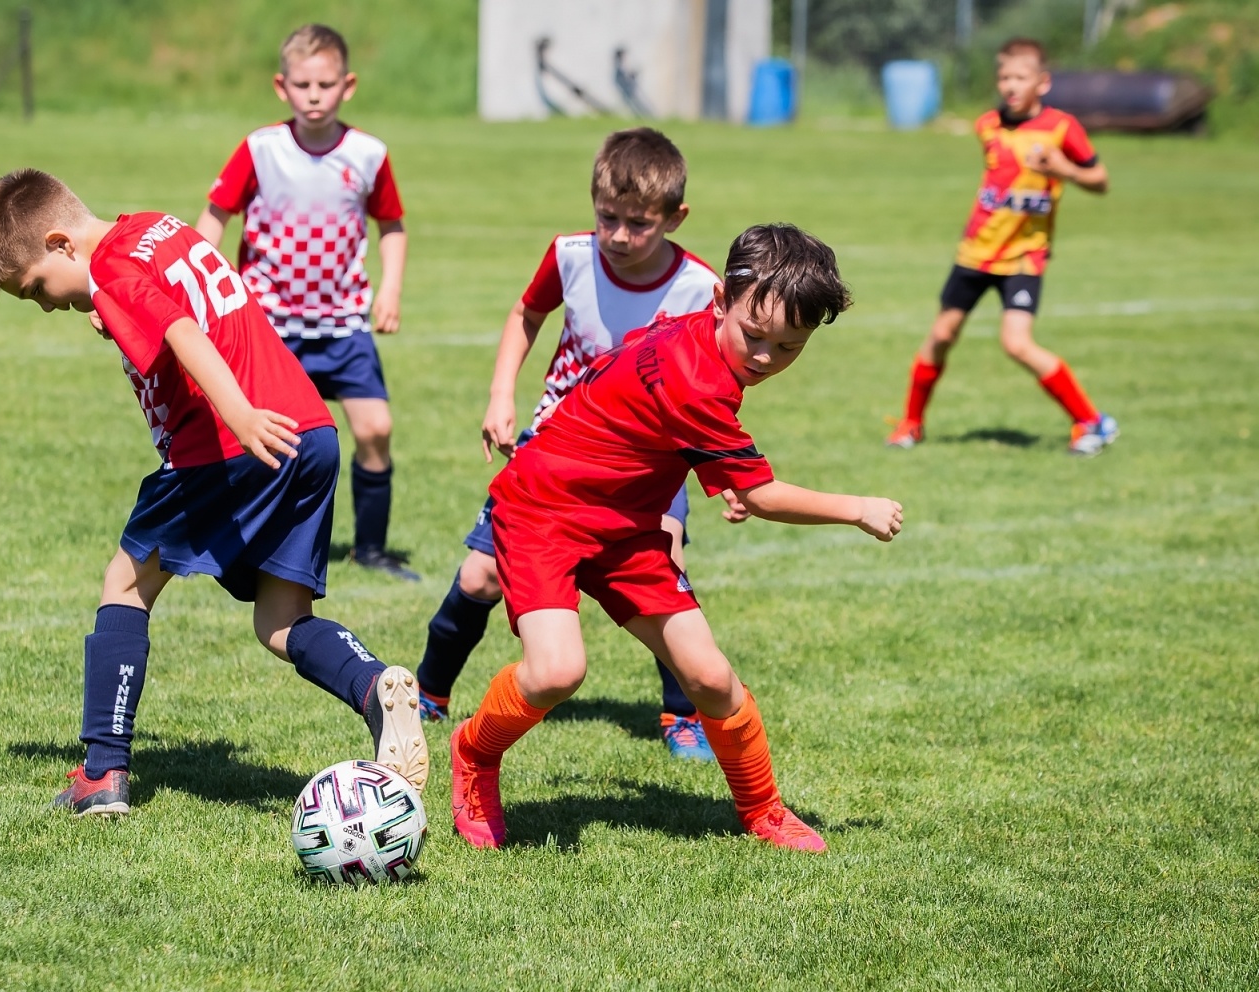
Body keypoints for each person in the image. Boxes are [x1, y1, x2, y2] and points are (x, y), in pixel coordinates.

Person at [0, 169, 427, 816]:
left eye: (37, 287)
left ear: (62, 243)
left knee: (125, 584)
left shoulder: (113, 273)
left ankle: (102, 772)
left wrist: (237, 414)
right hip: (308, 431)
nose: (45, 304)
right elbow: (191, 304)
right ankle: (376, 687)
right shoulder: (153, 230)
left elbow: (183, 331)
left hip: (229, 442)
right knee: (280, 621)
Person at [449, 224, 903, 853]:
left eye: (789, 347)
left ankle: (764, 811)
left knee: (711, 679)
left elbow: (655, 427)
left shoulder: (695, 332)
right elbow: (763, 494)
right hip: (544, 512)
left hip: (626, 527)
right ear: (719, 299)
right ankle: (473, 753)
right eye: (755, 335)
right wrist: (857, 508)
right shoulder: (701, 383)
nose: (766, 358)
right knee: (556, 672)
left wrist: (724, 480)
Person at [416, 127, 724, 761]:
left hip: (648, 464)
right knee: (479, 576)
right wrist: (502, 396)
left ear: (675, 217)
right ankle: (429, 692)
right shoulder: (570, 256)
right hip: (554, 447)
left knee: (668, 568)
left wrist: (720, 471)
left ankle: (681, 714)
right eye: (606, 217)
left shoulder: (701, 290)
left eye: (637, 224)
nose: (617, 235)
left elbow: (710, 386)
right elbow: (526, 315)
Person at [194, 24, 417, 580]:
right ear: (281, 86)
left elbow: (392, 225)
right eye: (302, 84)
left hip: (343, 324)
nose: (314, 95)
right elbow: (216, 216)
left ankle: (369, 549)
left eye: (326, 83)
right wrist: (201, 279)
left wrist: (389, 289)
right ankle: (248, 544)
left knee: (375, 429)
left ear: (348, 85)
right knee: (265, 440)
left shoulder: (369, 154)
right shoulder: (260, 149)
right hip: (270, 323)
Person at [888, 37, 1117, 456]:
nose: (1010, 85)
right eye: (1004, 77)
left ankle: (1092, 422)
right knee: (940, 336)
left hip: (1024, 257)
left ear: (1042, 83)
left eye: (1020, 77)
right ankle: (910, 425)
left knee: (1016, 343)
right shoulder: (988, 125)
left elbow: (1100, 181)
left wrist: (1062, 168)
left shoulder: (1062, 128)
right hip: (975, 252)